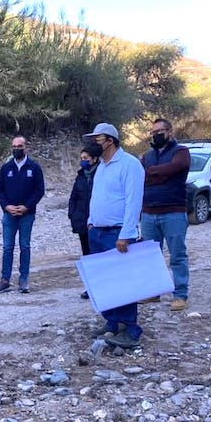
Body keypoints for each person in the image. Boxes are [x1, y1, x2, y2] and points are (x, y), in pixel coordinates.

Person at [83, 122, 144, 348]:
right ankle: (112, 321)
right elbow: (97, 197)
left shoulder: (129, 165)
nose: (93, 144)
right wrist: (90, 222)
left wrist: (126, 233)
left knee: (123, 281)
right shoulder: (102, 166)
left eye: (97, 139)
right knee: (105, 280)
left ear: (110, 140)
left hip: (116, 232)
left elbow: (133, 201)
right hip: (97, 232)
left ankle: (131, 329)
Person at [140, 119, 191, 311]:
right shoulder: (148, 155)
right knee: (150, 256)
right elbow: (142, 175)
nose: (156, 135)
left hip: (174, 212)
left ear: (170, 132)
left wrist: (151, 173)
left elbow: (175, 167)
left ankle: (180, 295)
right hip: (148, 212)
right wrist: (159, 175)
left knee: (177, 255)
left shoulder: (181, 152)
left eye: (160, 131)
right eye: (153, 132)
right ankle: (153, 292)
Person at [0, 136, 46, 294]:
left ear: (26, 147)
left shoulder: (34, 167)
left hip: (27, 215)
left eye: (19, 146)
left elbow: (39, 191)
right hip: (9, 214)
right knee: (7, 247)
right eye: (14, 146)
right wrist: (6, 206)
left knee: (25, 246)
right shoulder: (6, 167)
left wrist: (26, 207)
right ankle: (5, 279)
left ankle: (23, 279)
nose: (16, 149)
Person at [68, 143, 103, 299]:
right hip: (82, 222)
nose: (83, 161)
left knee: (99, 255)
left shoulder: (102, 173)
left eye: (86, 158)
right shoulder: (81, 175)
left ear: (95, 159)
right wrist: (72, 214)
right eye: (81, 158)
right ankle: (91, 287)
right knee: (87, 256)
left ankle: (104, 285)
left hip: (97, 223)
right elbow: (74, 196)